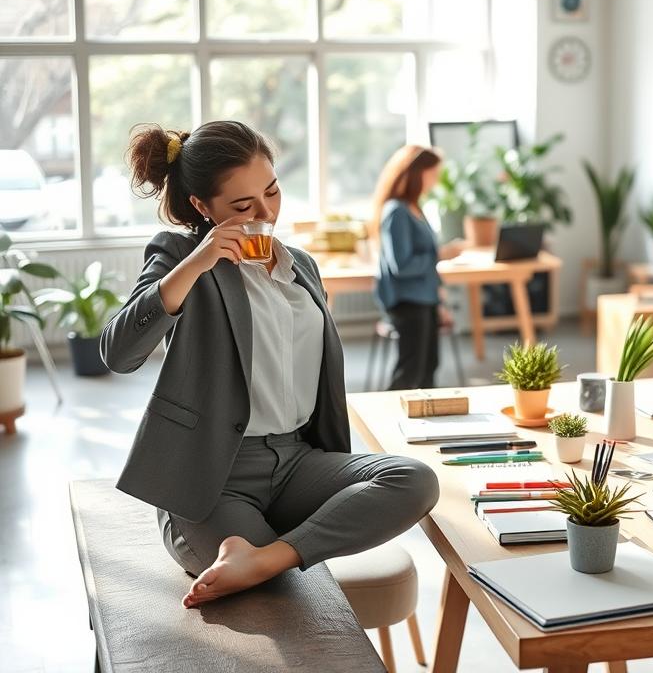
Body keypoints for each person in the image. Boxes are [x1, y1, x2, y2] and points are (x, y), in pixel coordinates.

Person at [101, 120, 439, 609]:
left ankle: (265, 557)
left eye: (273, 191)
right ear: (202, 207)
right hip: (214, 475)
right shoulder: (179, 255)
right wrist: (197, 263)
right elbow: (118, 351)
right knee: (277, 598)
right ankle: (266, 558)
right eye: (243, 206)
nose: (266, 213)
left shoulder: (300, 264)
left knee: (414, 480)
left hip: (298, 461)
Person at [371, 145, 464, 390]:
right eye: (432, 173)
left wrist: (439, 300)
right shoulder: (397, 212)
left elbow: (427, 266)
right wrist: (441, 254)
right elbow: (401, 266)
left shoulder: (415, 209)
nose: (435, 180)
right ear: (417, 173)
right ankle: (387, 423)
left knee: (428, 368)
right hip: (408, 303)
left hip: (425, 300)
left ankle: (421, 424)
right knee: (410, 372)